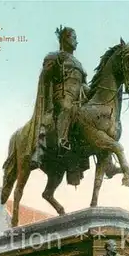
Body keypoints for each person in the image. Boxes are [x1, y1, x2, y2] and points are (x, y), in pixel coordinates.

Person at [29, 26, 89, 169]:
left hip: (79, 98)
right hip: (61, 97)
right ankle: (62, 141)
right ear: (65, 39)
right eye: (74, 37)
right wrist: (55, 63)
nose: (76, 42)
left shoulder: (79, 63)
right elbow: (45, 77)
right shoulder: (54, 56)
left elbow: (84, 84)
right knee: (67, 107)